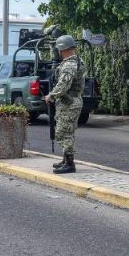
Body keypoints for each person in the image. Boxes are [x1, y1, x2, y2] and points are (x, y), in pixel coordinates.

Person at [44, 35, 86, 174]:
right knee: (68, 131)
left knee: (62, 133)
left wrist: (51, 96)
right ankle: (65, 159)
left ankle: (69, 163)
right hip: (72, 101)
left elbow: (63, 85)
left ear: (62, 49)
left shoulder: (69, 64)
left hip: (69, 102)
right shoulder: (78, 61)